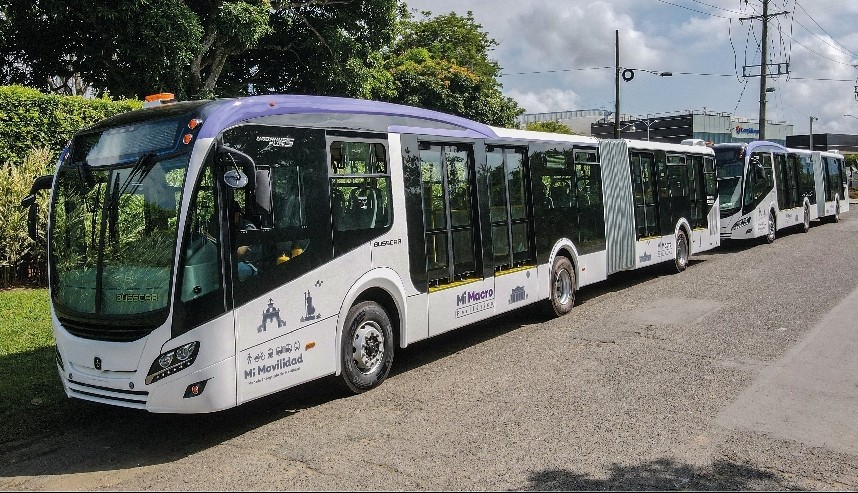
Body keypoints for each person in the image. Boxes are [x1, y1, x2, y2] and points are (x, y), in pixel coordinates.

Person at [231, 200, 260, 281]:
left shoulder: (249, 228)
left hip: (251, 265)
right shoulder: (231, 227)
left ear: (237, 215)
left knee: (231, 270)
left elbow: (240, 251)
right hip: (237, 262)